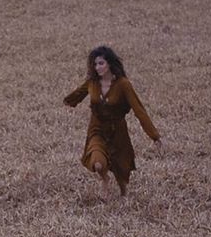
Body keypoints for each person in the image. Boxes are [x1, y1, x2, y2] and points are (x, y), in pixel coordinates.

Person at [64, 45, 160, 196]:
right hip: (96, 129)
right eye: (95, 64)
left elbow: (139, 110)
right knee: (97, 162)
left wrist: (154, 135)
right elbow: (79, 93)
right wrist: (68, 101)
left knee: (121, 168)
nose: (97, 67)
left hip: (117, 131)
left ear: (109, 63)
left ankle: (123, 190)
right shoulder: (92, 82)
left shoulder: (123, 84)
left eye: (101, 63)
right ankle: (105, 179)